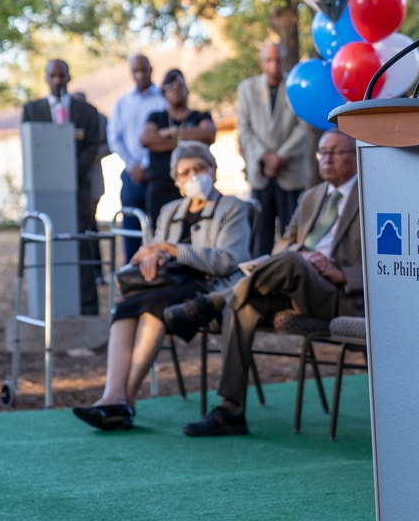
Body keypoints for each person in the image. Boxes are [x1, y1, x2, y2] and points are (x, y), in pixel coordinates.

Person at [164, 128, 362, 437]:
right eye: (322, 153)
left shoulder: (372, 198)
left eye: (336, 152)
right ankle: (231, 410)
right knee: (247, 302)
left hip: (336, 292)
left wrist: (343, 274)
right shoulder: (312, 196)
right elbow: (284, 244)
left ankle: (215, 301)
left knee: (287, 262)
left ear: (357, 157)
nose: (327, 159)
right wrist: (303, 255)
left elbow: (388, 261)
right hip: (293, 281)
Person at [71, 141, 251, 430]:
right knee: (126, 307)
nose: (193, 176)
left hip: (211, 290)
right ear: (177, 182)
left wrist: (170, 249)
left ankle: (124, 401)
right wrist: (152, 257)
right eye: (184, 172)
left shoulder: (232, 208)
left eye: (199, 169)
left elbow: (227, 261)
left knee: (154, 306)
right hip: (169, 286)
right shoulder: (170, 210)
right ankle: (112, 396)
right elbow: (155, 250)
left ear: (213, 171)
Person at [22, 60, 103, 315]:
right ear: (46, 78)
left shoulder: (87, 112)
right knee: (49, 245)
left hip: (79, 191)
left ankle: (87, 308)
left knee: (82, 245)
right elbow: (31, 146)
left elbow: (93, 145)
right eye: (52, 75)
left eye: (62, 75)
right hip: (45, 192)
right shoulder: (33, 110)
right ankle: (48, 308)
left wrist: (70, 173)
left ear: (69, 77)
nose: (57, 80)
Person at [238, 42, 308, 255]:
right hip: (260, 174)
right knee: (260, 236)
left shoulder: (297, 86)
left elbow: (303, 127)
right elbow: (244, 129)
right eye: (269, 60)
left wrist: (279, 157)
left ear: (284, 61)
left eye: (278, 60)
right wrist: (264, 157)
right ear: (262, 62)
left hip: (290, 171)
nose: (273, 65)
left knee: (292, 234)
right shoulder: (247, 89)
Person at [141, 69, 216, 226]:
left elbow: (208, 134)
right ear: (163, 92)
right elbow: (147, 139)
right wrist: (186, 142)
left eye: (179, 85)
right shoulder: (156, 117)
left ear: (187, 89)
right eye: (169, 86)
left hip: (194, 187)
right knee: (161, 232)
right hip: (160, 186)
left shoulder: (200, 116)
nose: (175, 89)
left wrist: (170, 133)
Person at [108, 54, 165, 259]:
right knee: (131, 227)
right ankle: (133, 273)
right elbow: (114, 137)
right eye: (136, 71)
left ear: (151, 69)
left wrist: (147, 165)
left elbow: (164, 138)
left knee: (161, 225)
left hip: (158, 172)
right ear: (131, 73)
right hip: (131, 173)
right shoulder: (122, 102)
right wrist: (133, 164)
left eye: (144, 69)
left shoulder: (163, 99)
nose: (140, 74)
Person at [72, 90, 111, 285]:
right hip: (70, 181)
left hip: (92, 178)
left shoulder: (99, 118)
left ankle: (96, 271)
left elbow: (108, 144)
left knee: (90, 226)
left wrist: (91, 154)